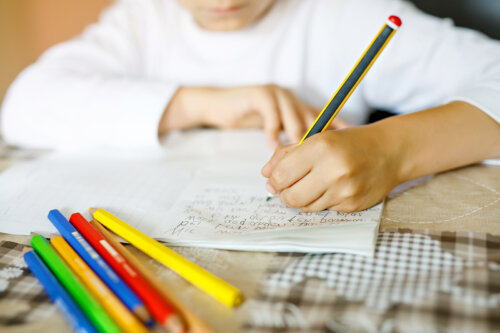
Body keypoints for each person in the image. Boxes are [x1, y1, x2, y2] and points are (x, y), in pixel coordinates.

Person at [1, 0, 500, 212]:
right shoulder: (142, 18)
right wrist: (199, 104)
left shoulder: (345, 13)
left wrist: (392, 149)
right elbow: (23, 105)